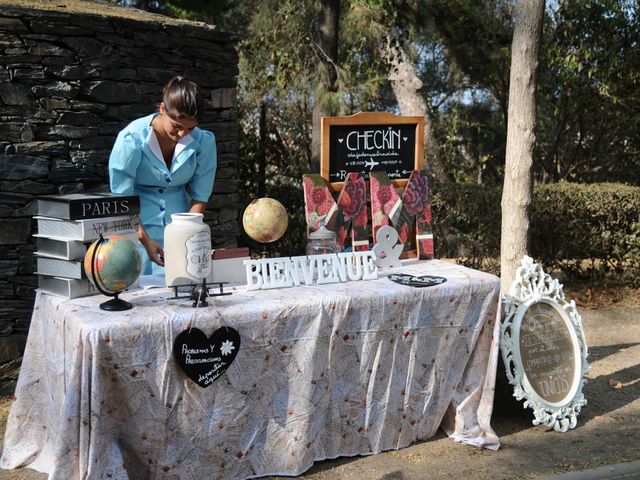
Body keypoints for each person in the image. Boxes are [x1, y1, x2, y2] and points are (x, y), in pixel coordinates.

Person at [109, 76, 217, 275]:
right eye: (177, 126)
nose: (184, 134)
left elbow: (200, 196)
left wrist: (186, 237)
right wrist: (145, 239)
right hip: (135, 230)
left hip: (181, 232)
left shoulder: (204, 142)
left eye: (190, 128)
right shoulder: (131, 140)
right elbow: (121, 198)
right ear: (162, 109)